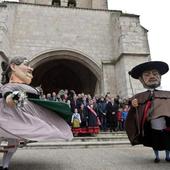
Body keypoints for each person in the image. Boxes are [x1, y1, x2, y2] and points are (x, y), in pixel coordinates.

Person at [0, 57, 73, 170]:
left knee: (13, 144)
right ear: (13, 67)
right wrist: (20, 95)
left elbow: (32, 103)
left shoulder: (28, 88)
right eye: (26, 64)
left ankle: (4, 166)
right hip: (9, 119)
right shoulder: (9, 86)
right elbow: (9, 101)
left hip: (22, 121)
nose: (31, 68)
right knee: (10, 141)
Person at [126, 61, 170, 163]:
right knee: (155, 143)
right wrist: (133, 104)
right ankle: (157, 156)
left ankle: (168, 156)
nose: (152, 76)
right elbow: (133, 109)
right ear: (141, 80)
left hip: (166, 126)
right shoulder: (139, 96)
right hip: (151, 126)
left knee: (168, 142)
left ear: (160, 76)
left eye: (155, 74)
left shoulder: (168, 94)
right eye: (147, 75)